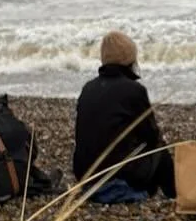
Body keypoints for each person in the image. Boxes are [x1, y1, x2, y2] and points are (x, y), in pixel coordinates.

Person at [72, 31, 175, 201]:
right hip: (119, 178)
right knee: (160, 149)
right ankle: (175, 194)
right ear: (130, 59)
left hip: (86, 176)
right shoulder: (134, 90)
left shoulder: (88, 88)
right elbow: (150, 136)